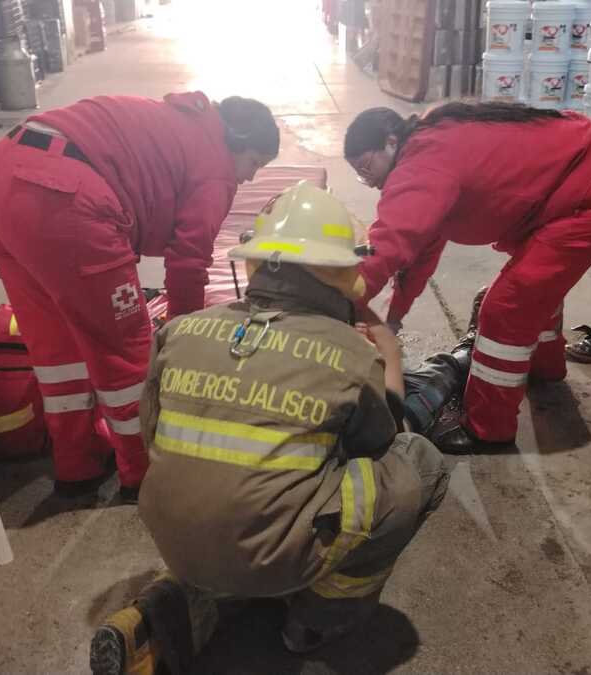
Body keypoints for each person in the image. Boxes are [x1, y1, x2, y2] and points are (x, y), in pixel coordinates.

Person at [89, 184, 449, 673]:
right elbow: (382, 444)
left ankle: (182, 596)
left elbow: (152, 435)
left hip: (170, 533)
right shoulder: (350, 352)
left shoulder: (180, 330)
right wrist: (388, 352)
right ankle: (316, 617)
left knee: (235, 482)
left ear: (253, 262)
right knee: (417, 461)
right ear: (343, 272)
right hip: (274, 555)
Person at [0, 93, 279, 503]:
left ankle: (76, 466)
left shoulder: (179, 122)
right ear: (235, 141)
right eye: (254, 162)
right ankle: (143, 472)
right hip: (60, 197)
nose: (251, 178)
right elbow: (188, 262)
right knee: (126, 352)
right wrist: (182, 338)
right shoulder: (216, 165)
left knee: (55, 346)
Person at [343, 102, 591, 453]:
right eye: (360, 175)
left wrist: (341, 301)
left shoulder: (423, 164)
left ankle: (488, 429)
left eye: (367, 167)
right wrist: (393, 316)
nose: (369, 181)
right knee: (536, 289)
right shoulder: (431, 142)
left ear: (391, 142)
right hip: (584, 180)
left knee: (506, 307)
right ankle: (544, 368)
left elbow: (388, 244)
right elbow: (419, 251)